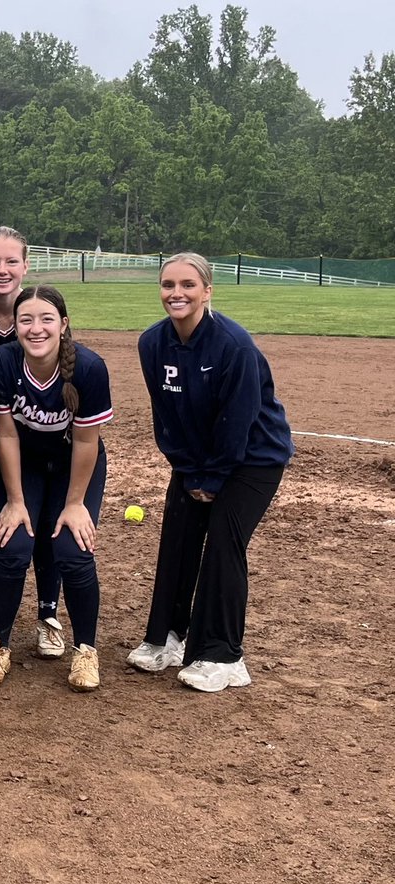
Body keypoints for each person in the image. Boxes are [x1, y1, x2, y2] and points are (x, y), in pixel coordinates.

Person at [129, 252, 293, 692]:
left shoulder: (233, 345)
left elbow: (237, 421)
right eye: (168, 285)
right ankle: (168, 638)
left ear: (207, 291)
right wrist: (189, 472)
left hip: (253, 458)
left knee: (223, 543)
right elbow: (167, 417)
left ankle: (224, 657)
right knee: (179, 537)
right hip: (196, 458)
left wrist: (214, 480)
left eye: (187, 285)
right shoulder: (152, 343)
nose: (176, 293)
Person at [0, 286, 113, 692]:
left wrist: (74, 504)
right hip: (25, 463)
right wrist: (16, 501)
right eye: (26, 320)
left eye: (46, 319)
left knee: (72, 550)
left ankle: (86, 650)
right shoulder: (5, 360)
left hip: (75, 466)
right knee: (13, 546)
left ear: (63, 324)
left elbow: (88, 442)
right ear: (15, 326)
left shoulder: (88, 366)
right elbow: (7, 436)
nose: (36, 329)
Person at [0, 227, 64, 660]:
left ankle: (48, 615)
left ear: (25, 266)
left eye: (11, 262)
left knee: (45, 527)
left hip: (36, 442)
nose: (2, 270)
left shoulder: (40, 315)